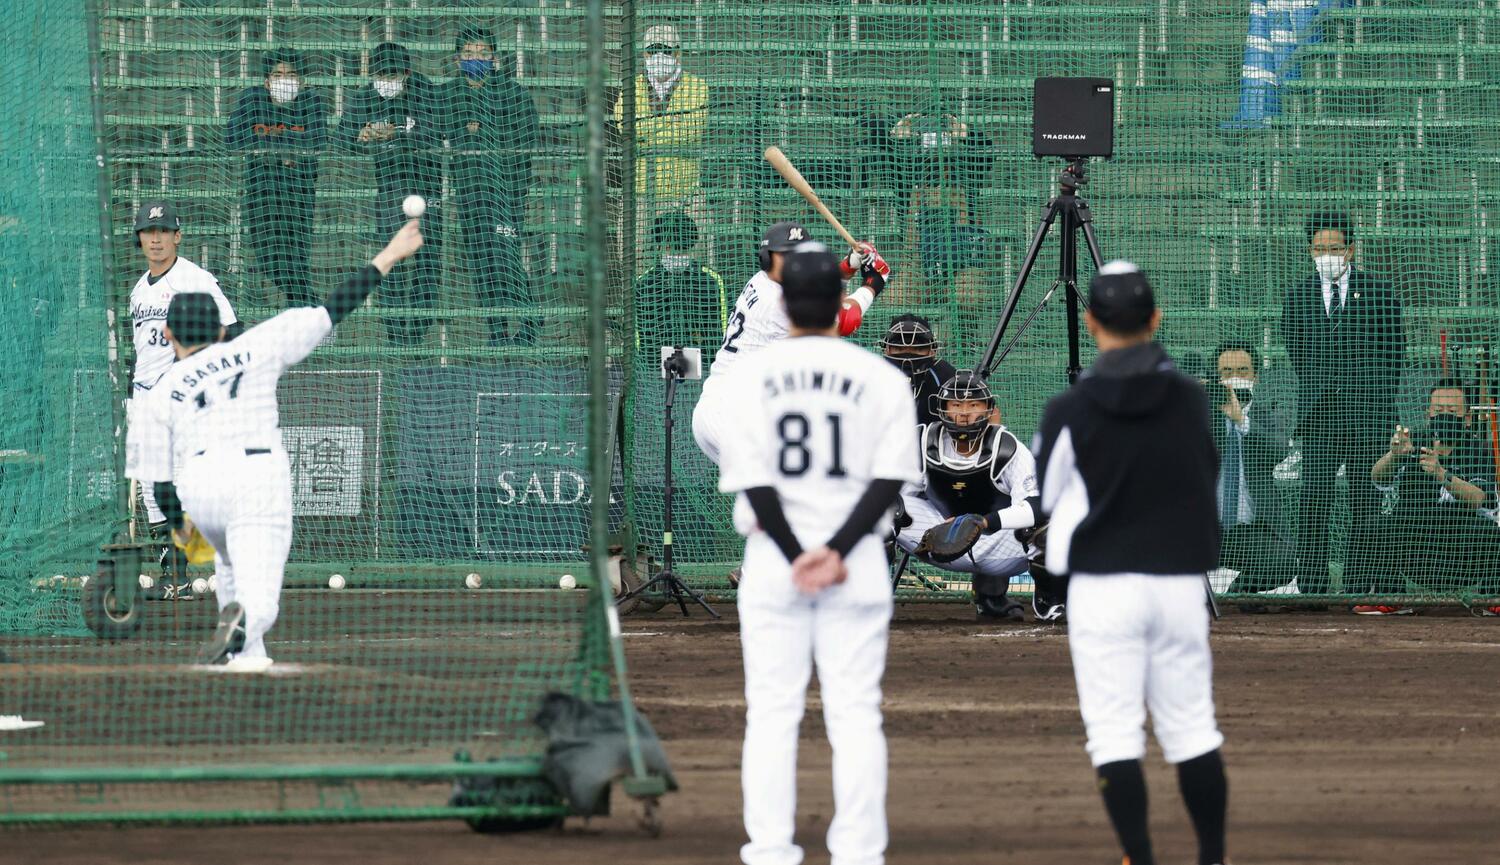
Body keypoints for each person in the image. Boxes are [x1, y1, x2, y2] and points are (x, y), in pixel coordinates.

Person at [125, 222, 424, 670]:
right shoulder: (254, 345)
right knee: (259, 598)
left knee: (226, 570)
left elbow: (159, 482)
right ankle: (245, 622)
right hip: (256, 480)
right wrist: (387, 257)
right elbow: (334, 308)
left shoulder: (160, 391)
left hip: (201, 487)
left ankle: (246, 658)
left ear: (167, 336)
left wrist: (184, 530)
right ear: (222, 331)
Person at [715, 243, 919, 865]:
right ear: (838, 302)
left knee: (772, 713)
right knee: (856, 713)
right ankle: (859, 852)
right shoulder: (882, 378)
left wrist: (799, 554)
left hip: (777, 566)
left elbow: (755, 482)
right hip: (855, 562)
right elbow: (888, 482)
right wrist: (833, 552)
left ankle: (771, 850)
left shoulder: (747, 379)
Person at [1034, 261, 1229, 865]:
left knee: (1115, 733)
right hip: (1176, 581)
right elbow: (1207, 471)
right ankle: (1212, 857)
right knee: (1193, 729)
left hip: (1103, 584)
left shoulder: (1069, 407)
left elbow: (1048, 495)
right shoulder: (1193, 400)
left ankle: (1140, 858)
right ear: (1156, 319)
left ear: (1091, 322)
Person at [691, 222, 888, 466]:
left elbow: (810, 286)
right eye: (786, 255)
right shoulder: (775, 302)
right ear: (767, 258)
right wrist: (874, 283)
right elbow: (844, 321)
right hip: (734, 414)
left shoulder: (764, 281)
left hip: (729, 408)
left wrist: (848, 266)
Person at [1281, 211, 1403, 596]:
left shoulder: (1380, 292)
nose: (1327, 254)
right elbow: (1296, 349)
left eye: (1335, 247)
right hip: (1320, 415)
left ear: (1351, 248)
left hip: (1368, 414)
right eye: (1320, 248)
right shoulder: (1299, 294)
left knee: (1364, 500)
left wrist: (1370, 395)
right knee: (1313, 501)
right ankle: (1313, 587)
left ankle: (1358, 583)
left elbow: (1394, 352)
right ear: (1308, 250)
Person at [127, 201, 241, 599]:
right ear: (139, 238)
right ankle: (173, 575)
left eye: (162, 231)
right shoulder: (140, 289)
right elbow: (139, 351)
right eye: (147, 231)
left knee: (180, 480)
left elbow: (231, 329)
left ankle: (216, 560)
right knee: (149, 486)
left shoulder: (196, 278)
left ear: (177, 235)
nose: (154, 239)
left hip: (179, 397)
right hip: (144, 398)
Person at [893, 371, 1058, 622]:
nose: (964, 412)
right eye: (956, 405)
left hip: (999, 545)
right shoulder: (923, 441)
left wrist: (983, 522)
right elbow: (899, 495)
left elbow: (1037, 505)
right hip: (940, 537)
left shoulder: (1006, 447)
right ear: (942, 408)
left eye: (973, 405)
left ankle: (1050, 598)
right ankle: (869, 596)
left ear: (988, 409)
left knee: (1049, 528)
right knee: (884, 509)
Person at [1346, 379, 1500, 615]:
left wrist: (1442, 474)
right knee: (1374, 524)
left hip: (1466, 546)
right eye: (1438, 411)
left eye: (1452, 411)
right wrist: (1393, 455)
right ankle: (1390, 597)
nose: (1444, 416)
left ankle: (1491, 598)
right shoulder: (1413, 443)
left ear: (1467, 418)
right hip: (1417, 545)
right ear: (1428, 413)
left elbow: (1481, 498)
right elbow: (1378, 478)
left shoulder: (1482, 450)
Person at [438, 28, 539, 344]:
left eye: (483, 54)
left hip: (507, 194)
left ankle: (528, 325)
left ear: (495, 59)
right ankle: (496, 330)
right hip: (469, 194)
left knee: (506, 257)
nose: (476, 60)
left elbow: (528, 138)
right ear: (458, 60)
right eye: (469, 54)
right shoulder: (450, 94)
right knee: (481, 261)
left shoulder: (513, 93)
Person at [339, 41, 442, 344]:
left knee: (428, 257)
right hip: (389, 184)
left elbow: (437, 131)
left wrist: (399, 132)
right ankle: (395, 331)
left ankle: (420, 329)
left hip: (427, 182)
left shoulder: (425, 90)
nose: (386, 79)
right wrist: (360, 136)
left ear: (407, 72)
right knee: (391, 256)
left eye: (393, 73)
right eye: (381, 73)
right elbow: (343, 136)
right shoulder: (366, 96)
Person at [227, 50, 328, 307]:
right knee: (268, 260)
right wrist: (281, 153)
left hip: (299, 192)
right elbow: (233, 139)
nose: (285, 80)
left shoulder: (311, 101)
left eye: (292, 74)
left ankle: (307, 316)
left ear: (301, 80)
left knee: (295, 260)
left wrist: (275, 148)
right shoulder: (252, 100)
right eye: (278, 74)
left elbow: (317, 140)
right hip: (261, 191)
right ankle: (314, 310)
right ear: (267, 81)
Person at [1211, 342, 1297, 600]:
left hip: (1253, 530)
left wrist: (1241, 420)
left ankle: (1238, 591)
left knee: (1284, 561)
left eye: (1243, 370)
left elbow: (1279, 449)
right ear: (1217, 376)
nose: (1234, 377)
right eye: (1226, 371)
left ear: (1255, 377)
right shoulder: (1197, 413)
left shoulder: (1269, 412)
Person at [613, 24, 707, 206]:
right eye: (653, 51)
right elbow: (626, 128)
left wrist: (646, 132)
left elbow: (689, 132)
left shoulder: (697, 86)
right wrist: (671, 121)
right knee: (633, 233)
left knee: (702, 233)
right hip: (639, 195)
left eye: (665, 50)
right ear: (644, 55)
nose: (659, 57)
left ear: (677, 54)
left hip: (686, 194)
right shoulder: (631, 86)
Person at [633, 210, 726, 351]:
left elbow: (716, 333)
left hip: (696, 367)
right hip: (660, 367)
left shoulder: (645, 282)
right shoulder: (645, 283)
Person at [879, 313, 956, 427]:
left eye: (918, 349)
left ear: (932, 351)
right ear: (886, 350)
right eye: (899, 349)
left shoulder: (944, 376)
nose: (908, 357)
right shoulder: (871, 376)